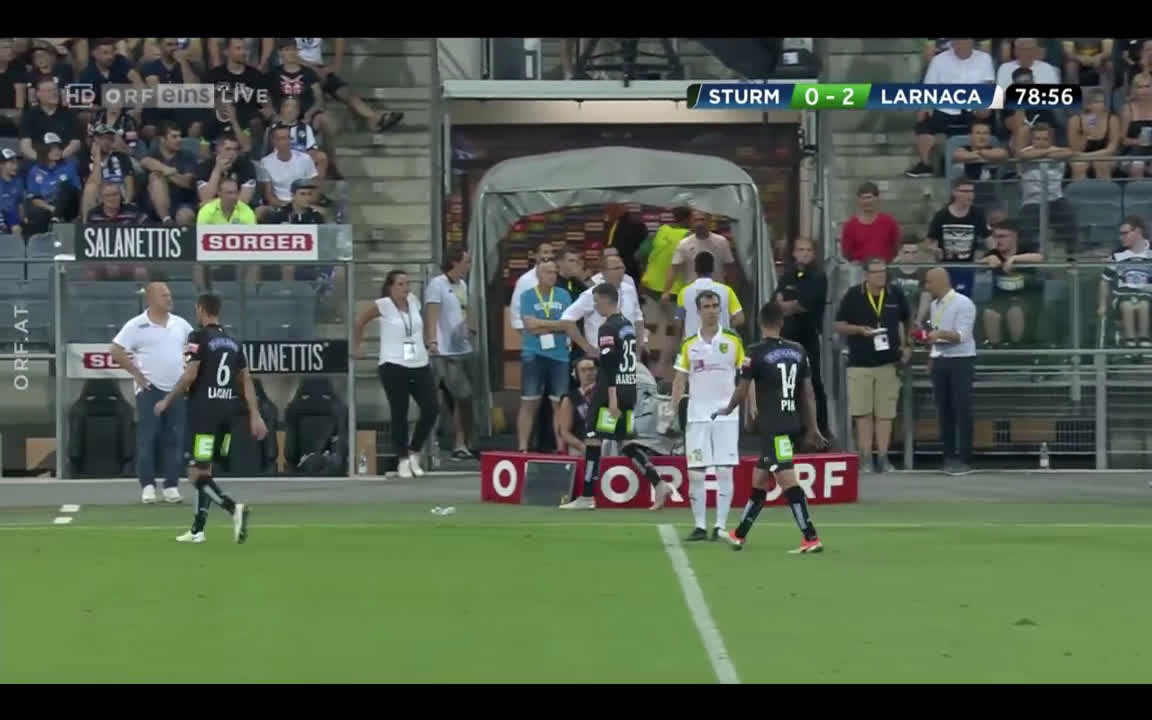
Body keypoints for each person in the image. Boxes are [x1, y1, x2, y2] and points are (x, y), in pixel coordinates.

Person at [713, 302, 827, 554]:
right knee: (760, 479)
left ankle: (810, 537)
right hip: (791, 422)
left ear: (760, 323)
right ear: (781, 322)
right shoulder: (798, 350)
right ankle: (739, 534)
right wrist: (813, 427)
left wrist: (728, 409)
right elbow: (808, 392)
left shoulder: (755, 352)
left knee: (787, 479)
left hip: (773, 427)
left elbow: (742, 389)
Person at [155, 294, 266, 543]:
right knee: (205, 469)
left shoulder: (197, 337)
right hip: (227, 416)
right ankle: (198, 530)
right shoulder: (233, 343)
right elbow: (246, 380)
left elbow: (190, 374)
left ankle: (233, 509)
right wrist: (255, 415)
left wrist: (168, 399)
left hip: (203, 414)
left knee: (195, 473)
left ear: (201, 310)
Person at [559, 283, 645, 510]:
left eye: (596, 301)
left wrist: (612, 398)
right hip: (629, 387)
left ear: (606, 300)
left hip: (610, 392)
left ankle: (587, 496)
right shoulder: (627, 325)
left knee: (592, 437)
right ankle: (658, 483)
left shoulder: (607, 328)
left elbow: (609, 364)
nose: (595, 306)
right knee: (625, 441)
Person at [109, 282, 195, 504]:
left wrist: (188, 371)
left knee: (174, 438)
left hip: (176, 390)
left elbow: (193, 349)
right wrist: (136, 374)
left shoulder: (181, 324)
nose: (169, 298)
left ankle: (171, 486)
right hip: (149, 390)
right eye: (164, 295)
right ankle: (147, 486)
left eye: (169, 295)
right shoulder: (136, 325)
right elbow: (116, 350)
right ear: (151, 299)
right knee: (148, 438)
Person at [669, 290, 742, 540]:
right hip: (697, 416)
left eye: (715, 306)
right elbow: (679, 379)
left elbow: (746, 376)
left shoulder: (733, 340)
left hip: (726, 416)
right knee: (696, 473)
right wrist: (672, 408)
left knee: (724, 471)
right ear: (698, 311)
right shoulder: (689, 344)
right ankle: (700, 526)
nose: (712, 310)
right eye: (707, 306)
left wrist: (750, 405)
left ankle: (720, 526)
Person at [353, 270, 439, 479]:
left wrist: (430, 340)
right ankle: (402, 458)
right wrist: (357, 346)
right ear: (390, 287)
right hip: (393, 364)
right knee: (399, 411)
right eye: (401, 284)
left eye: (407, 283)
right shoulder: (383, 304)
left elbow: (421, 324)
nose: (405, 288)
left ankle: (414, 451)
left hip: (419, 362)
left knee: (431, 407)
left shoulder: (414, 301)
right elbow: (360, 321)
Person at [834, 257, 912, 473]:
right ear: (866, 275)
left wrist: (907, 346)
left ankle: (884, 458)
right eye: (876, 272)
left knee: (885, 413)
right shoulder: (853, 295)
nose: (881, 276)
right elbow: (838, 325)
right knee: (863, 413)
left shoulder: (895, 293)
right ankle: (866, 457)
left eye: (883, 272)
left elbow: (907, 320)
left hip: (888, 363)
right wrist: (859, 330)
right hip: (860, 363)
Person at [923, 267, 978, 476]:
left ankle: (965, 458)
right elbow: (935, 336)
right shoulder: (934, 305)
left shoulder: (964, 303)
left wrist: (939, 334)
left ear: (941, 281)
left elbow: (962, 336)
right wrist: (931, 357)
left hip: (961, 361)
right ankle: (948, 456)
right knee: (944, 410)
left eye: (929, 282)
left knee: (962, 409)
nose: (927, 286)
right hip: (940, 360)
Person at [425, 247, 478, 460]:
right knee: (459, 395)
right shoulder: (437, 284)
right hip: (444, 351)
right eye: (466, 261)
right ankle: (447, 442)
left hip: (462, 347)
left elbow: (464, 310)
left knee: (463, 399)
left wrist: (470, 328)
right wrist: (432, 340)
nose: (469, 265)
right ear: (455, 262)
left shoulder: (462, 285)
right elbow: (432, 313)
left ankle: (462, 442)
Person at [515, 259, 572, 452]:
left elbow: (568, 324)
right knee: (529, 402)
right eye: (548, 272)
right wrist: (556, 326)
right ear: (538, 275)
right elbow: (530, 326)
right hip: (534, 354)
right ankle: (523, 448)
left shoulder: (564, 295)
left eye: (554, 272)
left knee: (559, 404)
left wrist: (542, 324)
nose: (552, 276)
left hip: (560, 356)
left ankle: (560, 448)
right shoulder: (528, 296)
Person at [775, 237, 830, 438]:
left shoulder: (818, 277)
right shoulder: (787, 275)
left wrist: (786, 306)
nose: (804, 253)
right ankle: (792, 431)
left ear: (813, 254)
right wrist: (787, 306)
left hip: (808, 337)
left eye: (808, 250)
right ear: (794, 253)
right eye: (800, 249)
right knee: (788, 384)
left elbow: (803, 305)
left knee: (813, 382)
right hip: (787, 338)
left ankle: (820, 430)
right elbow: (776, 301)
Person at [561, 252, 647, 362]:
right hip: (602, 355)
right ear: (604, 272)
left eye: (622, 267)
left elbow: (638, 317)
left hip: (627, 354)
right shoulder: (592, 294)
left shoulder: (629, 289)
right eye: (616, 268)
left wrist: (639, 348)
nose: (621, 271)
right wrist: (588, 349)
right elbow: (567, 320)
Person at [981, 218, 1045, 346]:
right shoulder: (994, 253)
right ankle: (995, 350)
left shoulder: (1025, 250)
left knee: (1014, 313)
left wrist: (1014, 259)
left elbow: (1040, 257)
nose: (998, 241)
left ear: (1015, 237)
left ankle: (1019, 350)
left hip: (1026, 299)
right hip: (1000, 299)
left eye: (1002, 236)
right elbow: (977, 262)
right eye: (995, 237)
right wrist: (988, 259)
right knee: (990, 313)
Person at [1099, 216, 1152, 355]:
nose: (1121, 237)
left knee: (1144, 304)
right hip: (1123, 295)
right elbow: (1104, 280)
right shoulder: (1117, 255)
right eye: (1120, 234)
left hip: (1147, 294)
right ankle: (1130, 342)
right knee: (1127, 305)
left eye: (1125, 233)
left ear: (1138, 231)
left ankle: (1144, 340)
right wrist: (1102, 304)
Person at [677, 251, 745, 340]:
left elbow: (679, 321)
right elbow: (740, 318)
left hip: (693, 344)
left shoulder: (684, 293)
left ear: (695, 268)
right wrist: (725, 324)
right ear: (713, 268)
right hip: (721, 343)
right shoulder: (727, 291)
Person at [557, 357, 597, 455]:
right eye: (583, 370)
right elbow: (564, 432)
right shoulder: (570, 398)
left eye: (591, 369)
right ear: (576, 374)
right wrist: (582, 447)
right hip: (579, 446)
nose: (588, 373)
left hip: (604, 444)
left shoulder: (607, 395)